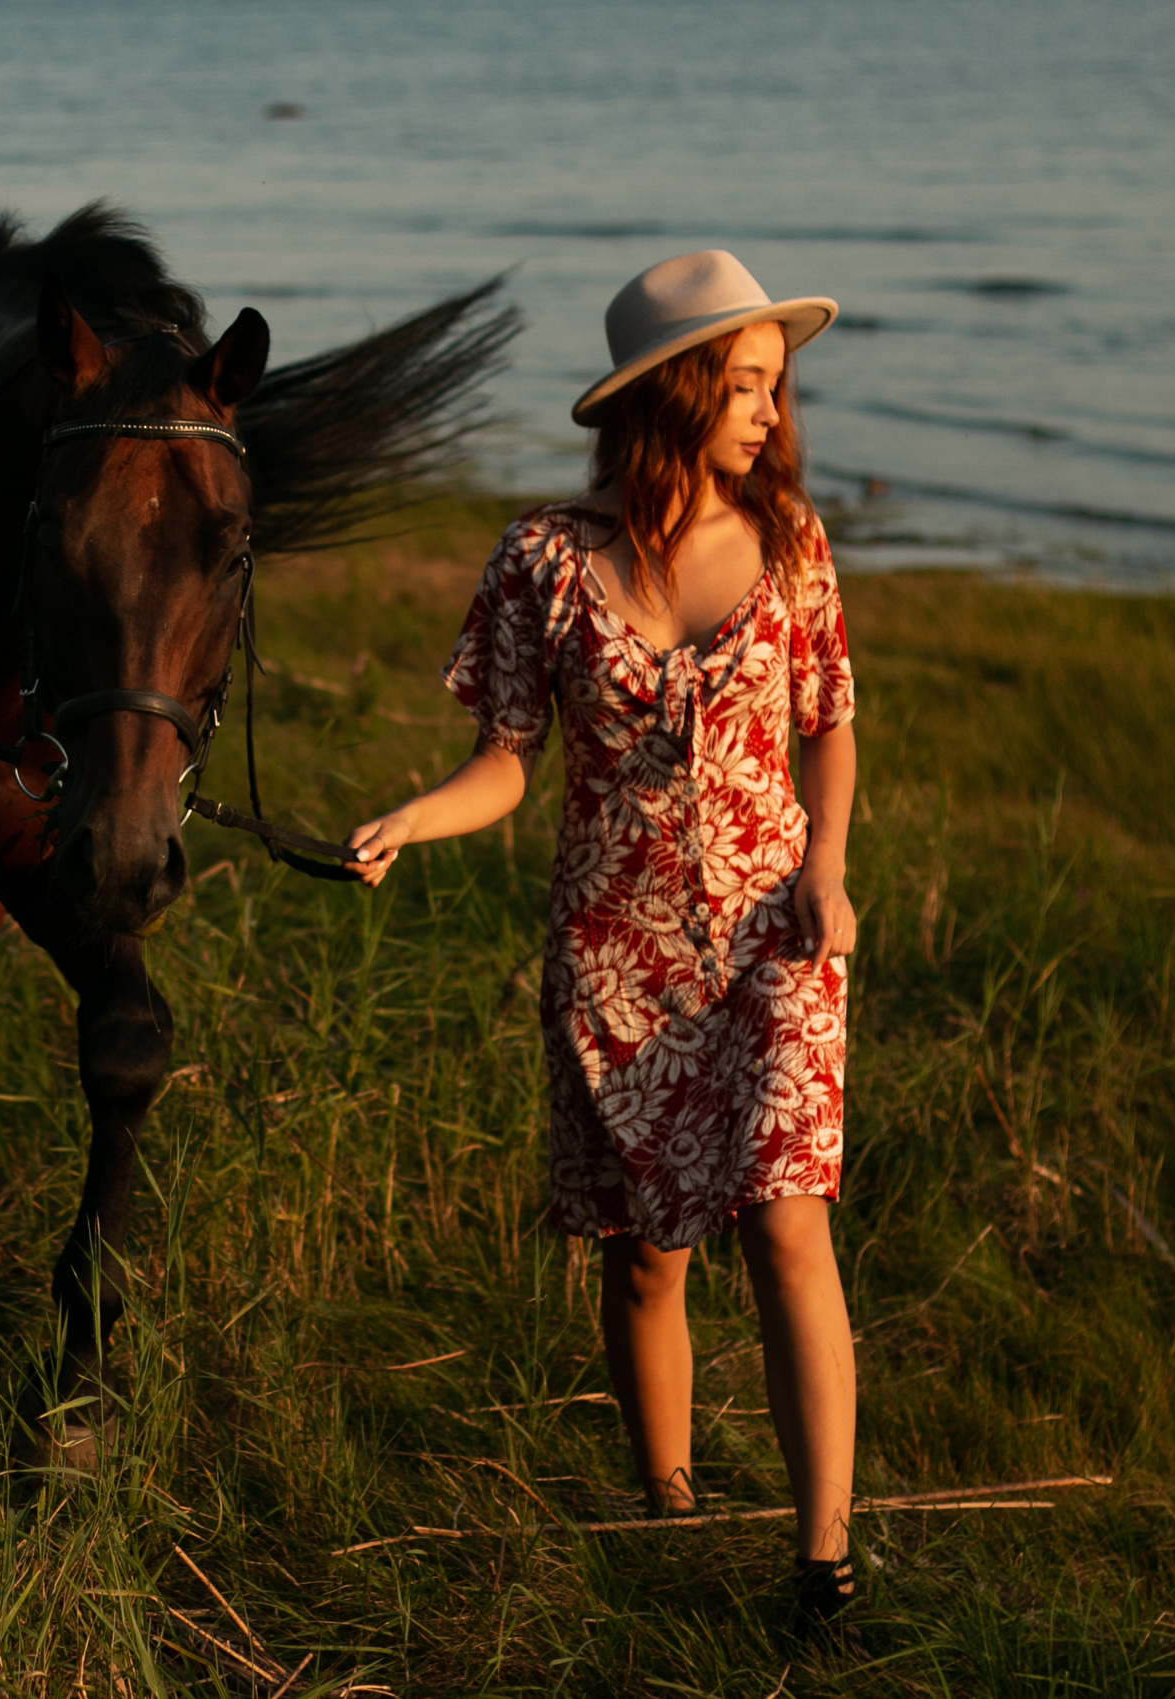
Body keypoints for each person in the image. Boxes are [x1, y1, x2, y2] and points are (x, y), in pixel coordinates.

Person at [344, 250, 862, 1627]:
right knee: (645, 1255)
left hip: (773, 939)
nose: (769, 412)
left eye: (774, 386)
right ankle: (670, 1512)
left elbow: (830, 723)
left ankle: (824, 1559)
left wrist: (832, 869)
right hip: (616, 956)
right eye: (744, 385)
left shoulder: (793, 544)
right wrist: (412, 816)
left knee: (787, 1225)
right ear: (676, 393)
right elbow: (507, 760)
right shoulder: (545, 563)